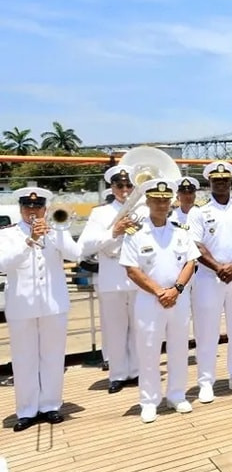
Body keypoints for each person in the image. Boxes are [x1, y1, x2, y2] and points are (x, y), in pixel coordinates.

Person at [0, 188, 81, 431]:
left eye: (37, 207)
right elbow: (3, 264)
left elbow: (76, 254)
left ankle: (50, 405)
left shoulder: (56, 231)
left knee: (53, 358)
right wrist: (29, 241)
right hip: (21, 306)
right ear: (21, 209)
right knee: (24, 359)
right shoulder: (8, 235)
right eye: (27, 207)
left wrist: (55, 234)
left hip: (53, 306)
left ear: (45, 209)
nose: (32, 212)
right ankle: (26, 410)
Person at [120, 179, 200, 423]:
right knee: (149, 352)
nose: (161, 204)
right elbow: (132, 270)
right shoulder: (135, 234)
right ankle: (149, 400)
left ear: (170, 201)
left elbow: (190, 262)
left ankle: (176, 395)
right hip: (149, 300)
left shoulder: (180, 231)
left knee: (178, 349)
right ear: (148, 201)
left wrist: (175, 290)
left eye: (165, 199)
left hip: (178, 299)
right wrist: (159, 292)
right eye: (156, 199)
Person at [187, 161, 232, 402]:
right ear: (210, 182)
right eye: (216, 180)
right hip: (209, 277)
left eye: (225, 179)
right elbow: (195, 244)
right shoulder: (198, 211)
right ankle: (206, 382)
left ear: (231, 182)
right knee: (206, 331)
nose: (221, 182)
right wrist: (219, 267)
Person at [79, 165, 145, 394]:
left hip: (139, 277)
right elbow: (84, 247)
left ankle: (137, 370)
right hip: (113, 276)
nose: (125, 189)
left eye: (129, 185)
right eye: (120, 185)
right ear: (112, 187)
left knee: (139, 327)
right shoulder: (101, 213)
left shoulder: (144, 210)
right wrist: (114, 232)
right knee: (114, 328)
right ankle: (118, 374)